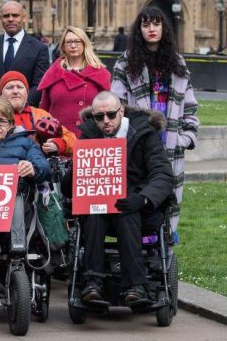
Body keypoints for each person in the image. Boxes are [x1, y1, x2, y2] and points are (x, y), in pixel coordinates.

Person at [73, 91, 174, 304]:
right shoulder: (89, 134)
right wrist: (75, 173)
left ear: (121, 111)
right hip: (100, 205)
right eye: (99, 117)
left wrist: (144, 198)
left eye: (110, 115)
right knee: (94, 213)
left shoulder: (145, 133)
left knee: (125, 213)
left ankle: (136, 285)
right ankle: (93, 282)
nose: (105, 121)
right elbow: (72, 180)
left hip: (139, 205)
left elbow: (163, 174)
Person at [111, 6, 199, 239]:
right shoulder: (125, 63)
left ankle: (164, 249)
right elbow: (116, 105)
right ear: (139, 29)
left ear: (164, 28)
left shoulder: (177, 62)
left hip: (170, 142)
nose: (152, 29)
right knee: (139, 195)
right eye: (146, 24)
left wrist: (187, 137)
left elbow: (189, 104)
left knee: (168, 196)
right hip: (138, 142)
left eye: (156, 24)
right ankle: (138, 248)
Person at [38, 26, 111, 138]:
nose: (73, 45)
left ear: (85, 44)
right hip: (59, 140)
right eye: (69, 42)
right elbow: (43, 111)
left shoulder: (99, 73)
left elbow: (109, 110)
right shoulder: (53, 74)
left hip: (90, 141)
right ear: (63, 46)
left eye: (77, 41)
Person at [0, 1, 49, 106]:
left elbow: (40, 84)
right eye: (6, 16)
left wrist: (21, 105)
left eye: (15, 15)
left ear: (24, 17)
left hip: (25, 111)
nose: (10, 19)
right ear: (0, 18)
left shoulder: (39, 48)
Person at [0, 71, 76, 157]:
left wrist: (59, 144)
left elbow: (73, 140)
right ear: (1, 94)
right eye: (9, 88)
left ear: (27, 93)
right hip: (6, 166)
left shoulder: (41, 114)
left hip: (40, 166)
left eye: (20, 87)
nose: (15, 91)